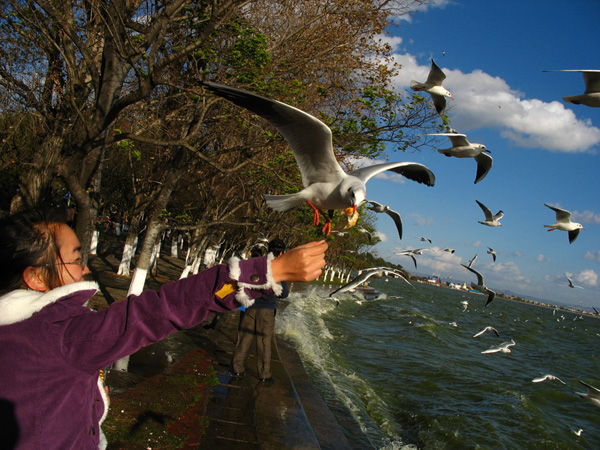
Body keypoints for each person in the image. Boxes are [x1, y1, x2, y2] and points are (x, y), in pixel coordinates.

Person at [0, 206, 327, 450]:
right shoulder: (61, 335)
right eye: (74, 258)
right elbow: (155, 312)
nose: (85, 266)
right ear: (36, 277)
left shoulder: (15, 333)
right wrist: (268, 271)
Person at [231, 239, 288, 382]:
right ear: (281, 252)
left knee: (244, 338)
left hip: (249, 306)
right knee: (264, 341)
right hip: (267, 310)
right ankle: (264, 373)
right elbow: (284, 293)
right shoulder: (279, 267)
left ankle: (237, 368)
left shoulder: (257, 262)